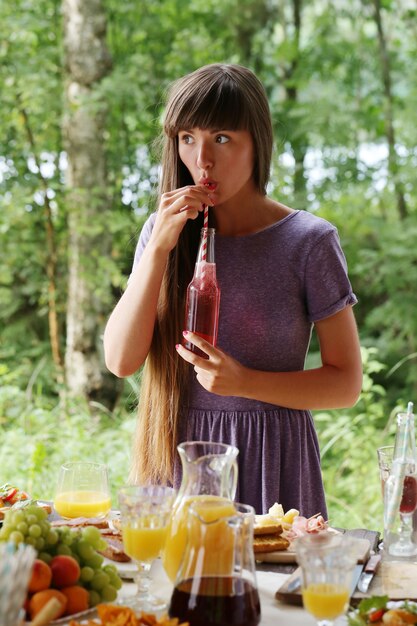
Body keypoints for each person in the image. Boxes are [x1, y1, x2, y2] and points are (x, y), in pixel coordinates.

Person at [103, 63, 362, 516]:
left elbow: (345, 384)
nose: (202, 160)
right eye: (188, 138)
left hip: (272, 462)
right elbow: (121, 360)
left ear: (256, 142)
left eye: (221, 138)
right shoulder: (163, 231)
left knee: (268, 588)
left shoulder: (309, 242)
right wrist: (159, 247)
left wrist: (244, 383)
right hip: (176, 456)